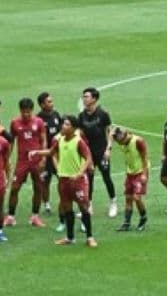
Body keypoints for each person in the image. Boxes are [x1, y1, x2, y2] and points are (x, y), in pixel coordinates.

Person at [31, 114, 97, 248]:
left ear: (73, 128)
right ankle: (70, 237)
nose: (63, 126)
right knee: (67, 208)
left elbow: (88, 158)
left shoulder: (79, 141)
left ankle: (90, 237)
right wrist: (37, 152)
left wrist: (79, 173)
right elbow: (51, 152)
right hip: (63, 180)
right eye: (63, 124)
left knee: (84, 207)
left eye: (67, 124)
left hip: (77, 181)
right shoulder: (59, 140)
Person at [6, 97, 47, 228]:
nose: (26, 114)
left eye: (28, 111)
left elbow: (43, 140)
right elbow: (11, 141)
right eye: (24, 111)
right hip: (22, 161)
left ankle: (35, 216)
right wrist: (7, 158)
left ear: (32, 110)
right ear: (20, 110)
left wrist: (44, 158)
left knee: (38, 187)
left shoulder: (39, 122)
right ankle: (11, 217)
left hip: (36, 160)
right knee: (14, 188)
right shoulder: (14, 123)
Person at [78, 87, 118, 219]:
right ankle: (88, 204)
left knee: (106, 177)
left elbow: (109, 132)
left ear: (94, 99)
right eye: (83, 96)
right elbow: (81, 134)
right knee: (88, 179)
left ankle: (113, 202)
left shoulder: (103, 114)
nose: (84, 99)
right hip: (88, 153)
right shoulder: (81, 116)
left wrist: (108, 149)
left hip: (101, 151)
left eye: (87, 96)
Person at [113, 126, 150, 232]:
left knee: (137, 198)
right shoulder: (121, 141)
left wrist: (144, 174)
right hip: (130, 173)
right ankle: (126, 223)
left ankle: (143, 217)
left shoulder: (138, 141)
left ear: (125, 137)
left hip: (140, 172)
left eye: (120, 141)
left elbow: (145, 158)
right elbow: (110, 135)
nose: (119, 144)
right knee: (128, 198)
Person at [36, 91, 62, 216]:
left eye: (52, 101)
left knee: (62, 178)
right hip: (46, 156)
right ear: (42, 105)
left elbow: (62, 131)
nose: (52, 104)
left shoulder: (56, 115)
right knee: (45, 181)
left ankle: (63, 200)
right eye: (49, 102)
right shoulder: (38, 119)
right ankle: (46, 204)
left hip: (58, 154)